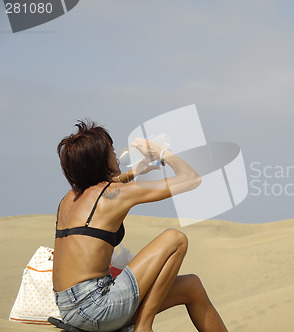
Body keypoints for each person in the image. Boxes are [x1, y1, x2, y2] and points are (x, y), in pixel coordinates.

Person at [53, 120, 228, 332]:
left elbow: (105, 188)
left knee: (191, 286)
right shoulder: (115, 195)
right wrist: (163, 152)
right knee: (175, 239)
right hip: (97, 308)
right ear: (100, 159)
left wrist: (134, 171)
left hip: (69, 309)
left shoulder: (68, 200)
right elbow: (191, 179)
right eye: (112, 150)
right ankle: (144, 327)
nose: (116, 155)